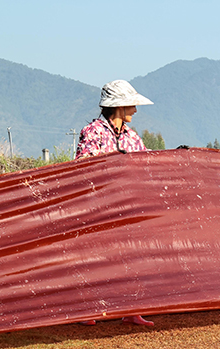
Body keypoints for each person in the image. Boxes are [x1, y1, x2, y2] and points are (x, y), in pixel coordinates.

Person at [76, 80, 156, 326]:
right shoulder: (93, 132)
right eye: (131, 105)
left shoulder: (133, 138)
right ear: (119, 107)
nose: (135, 110)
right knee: (96, 257)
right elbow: (83, 164)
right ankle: (88, 309)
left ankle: (130, 309)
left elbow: (148, 164)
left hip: (126, 207)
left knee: (132, 256)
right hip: (99, 206)